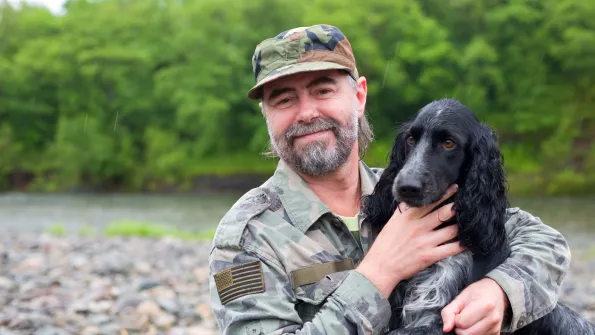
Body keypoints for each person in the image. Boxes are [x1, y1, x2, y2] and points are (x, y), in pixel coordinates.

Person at [208, 24, 571, 335]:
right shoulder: (245, 239)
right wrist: (379, 273)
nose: (307, 113)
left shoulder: (415, 191)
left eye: (323, 91)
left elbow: (546, 242)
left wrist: (500, 292)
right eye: (283, 100)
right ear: (266, 116)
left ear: (360, 96)